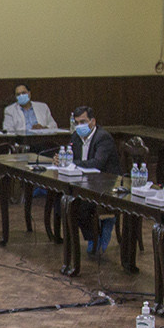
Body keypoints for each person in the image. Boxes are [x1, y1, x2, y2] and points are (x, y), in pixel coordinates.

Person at [59, 105, 121, 254]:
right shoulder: (76, 136)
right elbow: (70, 156)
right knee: (62, 203)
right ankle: (93, 235)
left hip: (106, 184)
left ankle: (100, 230)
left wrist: (73, 163)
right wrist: (61, 159)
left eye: (83, 122)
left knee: (80, 205)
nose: (79, 126)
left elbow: (97, 163)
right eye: (76, 123)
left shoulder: (103, 137)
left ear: (93, 121)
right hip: (85, 181)